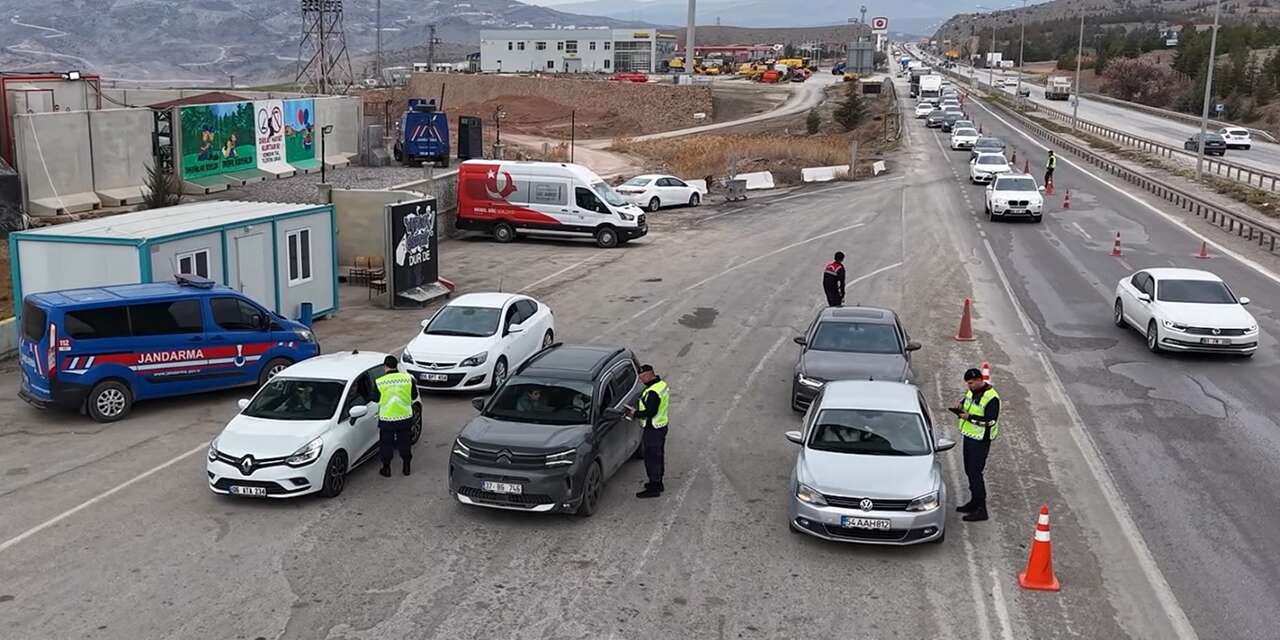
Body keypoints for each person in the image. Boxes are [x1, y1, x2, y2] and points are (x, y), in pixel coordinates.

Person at [948, 368, 1000, 522]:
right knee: (969, 471)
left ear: (979, 380)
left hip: (981, 440)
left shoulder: (992, 398)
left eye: (971, 383)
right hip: (970, 436)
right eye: (967, 384)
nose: (969, 386)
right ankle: (974, 502)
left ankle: (981, 509)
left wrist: (968, 417)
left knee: (976, 473)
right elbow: (968, 400)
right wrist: (961, 404)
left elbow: (990, 421)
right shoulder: (972, 391)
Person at [629, 364, 670, 498]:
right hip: (660, 426)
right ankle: (658, 483)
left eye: (642, 378)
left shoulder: (652, 392)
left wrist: (635, 413)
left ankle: (654, 487)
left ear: (648, 375)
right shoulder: (661, 385)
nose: (641, 381)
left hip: (653, 429)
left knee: (652, 459)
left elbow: (650, 412)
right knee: (658, 456)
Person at [374, 355, 418, 477]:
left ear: (385, 366)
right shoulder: (408, 379)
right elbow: (414, 396)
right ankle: (406, 467)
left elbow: (375, 398)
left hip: (387, 419)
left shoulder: (380, 382)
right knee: (405, 443)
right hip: (405, 417)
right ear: (396, 366)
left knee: (386, 444)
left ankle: (386, 469)